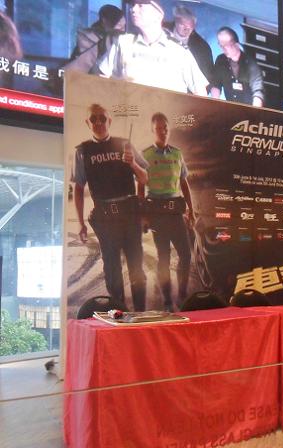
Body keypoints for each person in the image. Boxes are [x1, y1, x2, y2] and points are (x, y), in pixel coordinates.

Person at [72, 104, 148, 311]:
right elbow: (78, 187)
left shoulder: (125, 144)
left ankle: (141, 314)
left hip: (129, 214)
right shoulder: (82, 151)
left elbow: (144, 178)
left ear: (109, 121)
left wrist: (133, 164)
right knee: (112, 271)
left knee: (136, 267)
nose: (98, 122)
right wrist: (80, 223)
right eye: (93, 119)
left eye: (102, 118)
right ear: (87, 123)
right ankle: (119, 313)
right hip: (105, 217)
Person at [138, 113, 195, 311]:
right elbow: (140, 187)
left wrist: (191, 210)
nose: (162, 132)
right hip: (157, 215)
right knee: (163, 257)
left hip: (175, 213)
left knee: (186, 255)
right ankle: (168, 301)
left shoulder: (177, 154)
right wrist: (143, 215)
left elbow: (183, 182)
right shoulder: (145, 155)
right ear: (152, 130)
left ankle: (182, 296)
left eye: (165, 128)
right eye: (158, 128)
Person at [98, 0, 208, 95]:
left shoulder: (179, 52)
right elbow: (101, 79)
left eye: (141, 5)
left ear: (158, 15)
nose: (133, 9)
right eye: (133, 5)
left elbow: (200, 93)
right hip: (129, 112)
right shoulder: (123, 43)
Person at [210, 27, 264, 107]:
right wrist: (213, 105)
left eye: (226, 45)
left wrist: (254, 112)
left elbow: (258, 92)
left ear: (237, 45)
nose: (223, 49)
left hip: (249, 109)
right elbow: (216, 84)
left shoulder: (251, 64)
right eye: (221, 45)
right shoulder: (220, 60)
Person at [64, 4, 125, 74]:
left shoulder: (120, 41)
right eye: (119, 25)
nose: (123, 31)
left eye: (124, 26)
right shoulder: (89, 39)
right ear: (105, 20)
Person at [165, 5, 214, 89]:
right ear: (176, 21)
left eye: (190, 27)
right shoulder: (159, 30)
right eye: (182, 25)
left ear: (194, 26)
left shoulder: (203, 48)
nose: (186, 29)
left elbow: (208, 77)